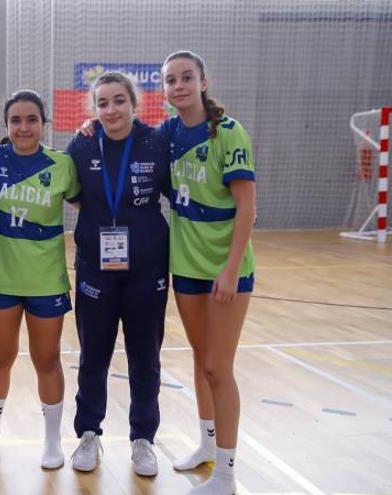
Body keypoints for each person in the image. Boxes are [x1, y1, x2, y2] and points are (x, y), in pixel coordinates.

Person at [161, 50, 256, 495]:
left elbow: (246, 204)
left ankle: (226, 475)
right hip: (187, 269)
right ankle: (206, 445)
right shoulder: (167, 134)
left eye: (186, 77)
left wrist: (231, 269)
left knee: (219, 366)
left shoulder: (228, 132)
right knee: (202, 362)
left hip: (225, 272)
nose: (178, 86)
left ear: (203, 81)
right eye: (170, 80)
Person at [66, 72, 171, 476]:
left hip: (147, 268)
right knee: (94, 354)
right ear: (94, 109)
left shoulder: (155, 143)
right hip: (96, 267)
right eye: (102, 103)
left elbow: (176, 194)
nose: (110, 110)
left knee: (145, 356)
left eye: (118, 101)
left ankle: (143, 438)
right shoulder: (82, 143)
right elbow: (77, 196)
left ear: (134, 103)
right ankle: (89, 433)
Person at [0, 90, 79, 469]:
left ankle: (52, 442)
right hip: (0, 277)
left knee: (47, 360)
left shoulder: (62, 164)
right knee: (0, 356)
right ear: (6, 125)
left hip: (46, 280)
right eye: (16, 120)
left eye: (31, 119)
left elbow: (88, 204)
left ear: (43, 124)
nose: (23, 127)